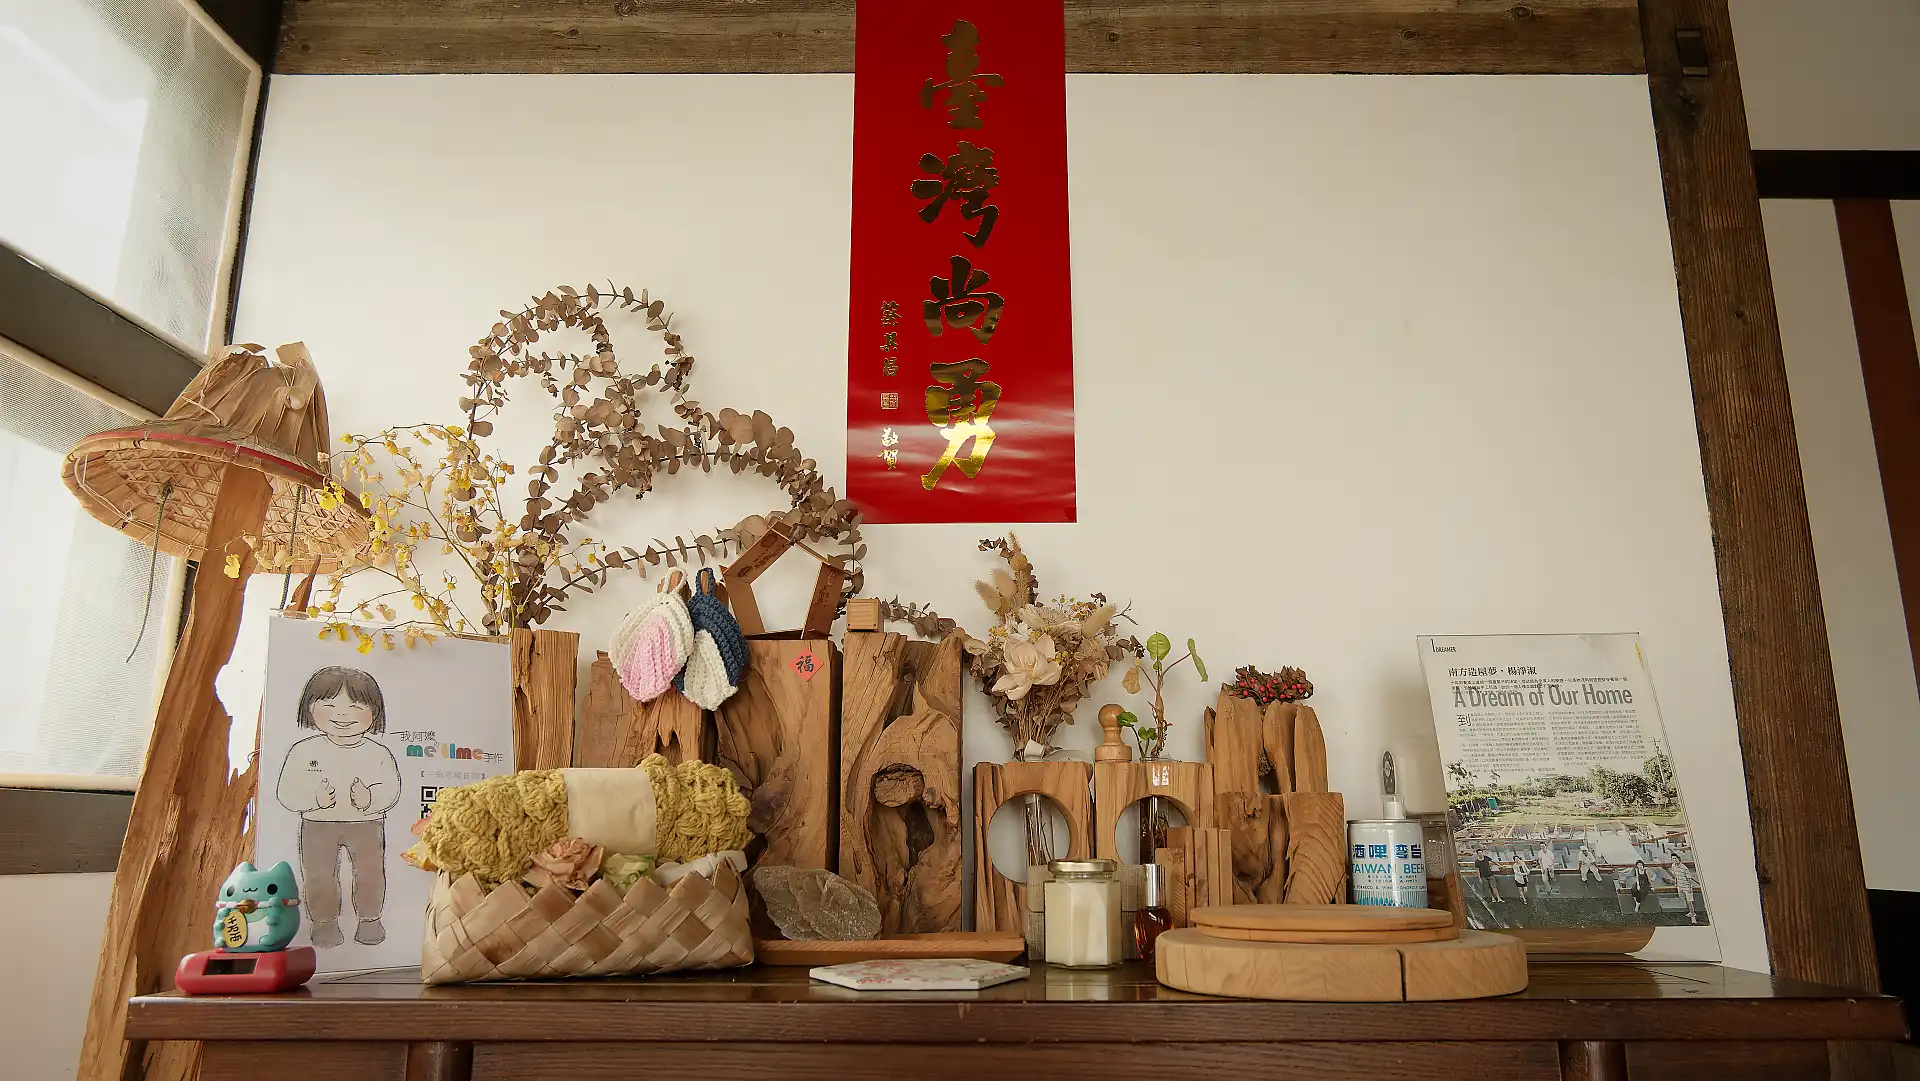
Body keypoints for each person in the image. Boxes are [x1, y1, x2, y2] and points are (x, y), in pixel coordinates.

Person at [276, 667, 402, 948]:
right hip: (317, 825)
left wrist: (369, 800)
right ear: (309, 708)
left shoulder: (378, 753)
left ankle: (370, 920)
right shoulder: (303, 751)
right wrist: (314, 800)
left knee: (370, 873)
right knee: (319, 874)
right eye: (330, 705)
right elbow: (287, 792)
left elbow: (391, 790)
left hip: (367, 825)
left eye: (356, 706)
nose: (342, 715)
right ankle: (324, 924)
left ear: (375, 712)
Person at [1669, 859, 1702, 924]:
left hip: (1686, 887)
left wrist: (1690, 888)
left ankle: (1693, 915)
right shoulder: (1673, 866)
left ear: (1679, 859)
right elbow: (1675, 875)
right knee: (1683, 899)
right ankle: (1690, 912)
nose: (1674, 860)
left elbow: (1689, 879)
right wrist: (1676, 883)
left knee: (1689, 901)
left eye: (1675, 858)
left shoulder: (1684, 868)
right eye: (1673, 859)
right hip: (1680, 886)